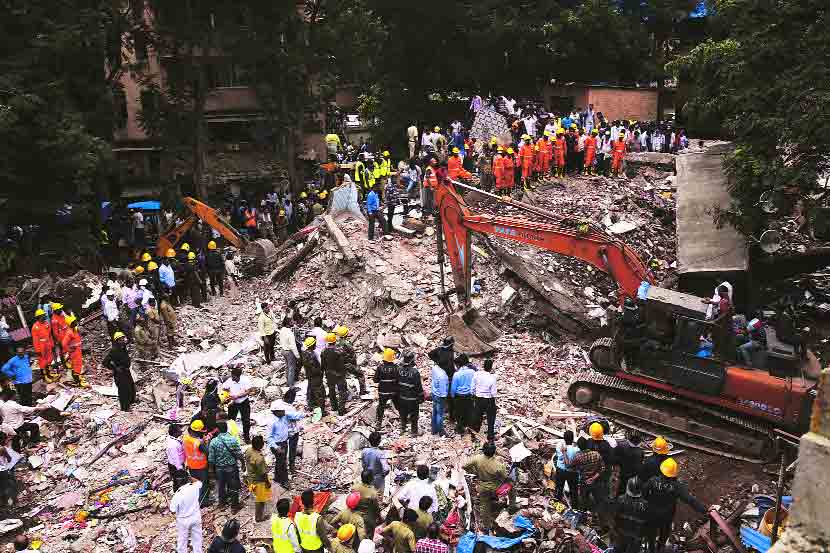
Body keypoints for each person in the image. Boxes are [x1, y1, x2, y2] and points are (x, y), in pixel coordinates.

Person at [644, 458, 707, 553]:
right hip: (666, 515)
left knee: (651, 532)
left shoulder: (653, 481)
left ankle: (651, 548)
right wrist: (704, 510)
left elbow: (643, 494)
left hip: (652, 513)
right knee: (664, 533)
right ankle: (660, 548)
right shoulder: (677, 486)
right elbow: (690, 500)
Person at [463, 442, 514, 534]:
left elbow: (465, 466)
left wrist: (475, 472)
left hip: (483, 487)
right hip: (496, 488)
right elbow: (505, 478)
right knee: (512, 488)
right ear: (494, 452)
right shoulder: (498, 465)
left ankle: (486, 526)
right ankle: (512, 507)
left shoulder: (477, 458)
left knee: (484, 505)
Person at [268, 399, 305, 486]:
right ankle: (284, 481)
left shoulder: (284, 415)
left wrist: (304, 414)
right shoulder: (272, 422)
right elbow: (269, 437)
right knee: (282, 462)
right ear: (275, 412)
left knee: (280, 461)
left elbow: (294, 415)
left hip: (284, 442)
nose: (284, 412)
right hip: (277, 444)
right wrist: (276, 448)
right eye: (282, 411)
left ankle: (277, 478)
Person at [208, 420, 242, 509]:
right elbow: (239, 453)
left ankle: (222, 504)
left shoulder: (214, 442)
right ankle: (234, 506)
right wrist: (243, 463)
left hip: (219, 468)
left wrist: (211, 470)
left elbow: (211, 458)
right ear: (227, 429)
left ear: (218, 430)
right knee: (233, 486)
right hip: (231, 467)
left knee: (221, 487)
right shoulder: (233, 439)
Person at [610, 477, 649, 553]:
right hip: (636, 536)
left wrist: (613, 530)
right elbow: (646, 523)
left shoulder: (621, 499)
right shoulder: (645, 504)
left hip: (621, 534)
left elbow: (615, 517)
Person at [570, 437, 607, 515]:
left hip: (584, 481)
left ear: (579, 447)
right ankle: (597, 515)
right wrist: (593, 478)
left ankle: (584, 515)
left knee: (584, 500)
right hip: (596, 481)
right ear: (587, 445)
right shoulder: (596, 454)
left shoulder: (577, 456)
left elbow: (571, 467)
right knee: (598, 499)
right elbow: (603, 468)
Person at [170, 475, 203, 553]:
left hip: (183, 520)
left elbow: (173, 510)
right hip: (195, 516)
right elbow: (199, 482)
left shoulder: (177, 494)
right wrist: (189, 476)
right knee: (197, 539)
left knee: (182, 541)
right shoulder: (194, 487)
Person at [103, 332, 135, 411]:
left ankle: (131, 401)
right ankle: (125, 407)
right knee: (123, 390)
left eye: (123, 338)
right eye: (121, 339)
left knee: (131, 386)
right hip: (120, 373)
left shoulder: (123, 347)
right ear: (117, 341)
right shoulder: (114, 350)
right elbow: (105, 362)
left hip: (126, 371)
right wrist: (115, 368)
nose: (123, 340)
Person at [222, 367, 254, 443]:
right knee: (231, 420)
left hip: (244, 402)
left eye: (233, 376)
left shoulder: (245, 380)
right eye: (231, 376)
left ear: (238, 376)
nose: (232, 377)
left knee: (246, 420)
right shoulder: (230, 381)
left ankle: (246, 437)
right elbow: (224, 388)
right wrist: (229, 395)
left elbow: (248, 391)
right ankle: (230, 436)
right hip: (233, 403)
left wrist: (237, 396)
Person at [184, 419, 212, 506]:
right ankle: (203, 502)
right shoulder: (198, 443)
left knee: (196, 485)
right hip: (201, 467)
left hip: (191, 466)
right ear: (198, 431)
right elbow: (208, 451)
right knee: (203, 485)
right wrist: (207, 442)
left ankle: (195, 500)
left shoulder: (186, 438)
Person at [245, 435, 272, 521]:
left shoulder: (248, 450)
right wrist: (267, 483)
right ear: (259, 445)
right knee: (260, 499)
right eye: (262, 443)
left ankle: (259, 514)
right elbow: (263, 473)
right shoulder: (259, 459)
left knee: (256, 495)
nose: (263, 444)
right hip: (258, 481)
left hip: (250, 479)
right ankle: (259, 517)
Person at [296, 489, 333, 553]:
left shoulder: (297, 516)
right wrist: (329, 547)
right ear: (313, 501)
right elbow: (323, 537)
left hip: (304, 546)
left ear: (302, 502)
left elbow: (297, 533)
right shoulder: (317, 518)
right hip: (316, 549)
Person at [335, 326, 368, 396]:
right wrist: (355, 366)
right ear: (346, 334)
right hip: (348, 364)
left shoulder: (337, 344)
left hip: (340, 365)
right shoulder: (347, 344)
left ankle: (343, 393)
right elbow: (353, 356)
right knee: (360, 374)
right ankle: (363, 392)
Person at [397, 351, 424, 436]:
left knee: (403, 414)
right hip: (412, 399)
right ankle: (414, 431)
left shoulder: (399, 369)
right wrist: (421, 397)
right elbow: (418, 387)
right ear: (412, 360)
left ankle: (403, 428)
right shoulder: (415, 372)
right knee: (414, 416)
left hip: (402, 397)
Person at [471, 358, 497, 441]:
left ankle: (474, 434)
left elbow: (472, 387)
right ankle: (490, 436)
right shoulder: (492, 378)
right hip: (488, 400)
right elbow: (493, 393)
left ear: (483, 366)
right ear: (491, 368)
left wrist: (474, 394)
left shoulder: (477, 374)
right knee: (491, 418)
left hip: (478, 398)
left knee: (477, 416)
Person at [321, 332, 347, 415]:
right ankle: (341, 410)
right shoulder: (339, 351)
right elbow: (343, 363)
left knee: (331, 390)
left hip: (329, 374)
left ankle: (334, 407)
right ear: (335, 341)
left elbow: (323, 365)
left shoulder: (323, 351)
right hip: (339, 374)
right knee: (342, 391)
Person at [553, 430, 580, 507]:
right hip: (572, 472)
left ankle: (557, 505)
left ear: (564, 439)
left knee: (559, 488)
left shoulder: (559, 446)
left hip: (560, 470)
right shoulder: (576, 449)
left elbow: (560, 455)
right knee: (573, 490)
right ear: (572, 438)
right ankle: (575, 507)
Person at [449, 355, 475, 435]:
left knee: (459, 413)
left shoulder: (457, 374)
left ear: (458, 365)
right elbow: (474, 384)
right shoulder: (472, 372)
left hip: (459, 396)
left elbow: (453, 388)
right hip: (469, 395)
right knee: (469, 412)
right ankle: (470, 428)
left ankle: (460, 429)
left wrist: (452, 396)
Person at [375, 348, 400, 429]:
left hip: (383, 392)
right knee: (398, 405)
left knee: (381, 406)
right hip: (394, 392)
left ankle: (378, 423)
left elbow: (375, 380)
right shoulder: (396, 367)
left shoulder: (380, 368)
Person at [614, 430, 644, 496]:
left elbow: (616, 459)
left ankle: (619, 497)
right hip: (632, 474)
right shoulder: (640, 452)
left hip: (623, 472)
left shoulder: (621, 446)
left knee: (621, 487)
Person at [302, 336, 327, 415]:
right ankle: (322, 411)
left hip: (309, 375)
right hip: (315, 376)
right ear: (312, 345)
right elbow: (314, 368)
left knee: (310, 390)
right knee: (320, 392)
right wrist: (320, 372)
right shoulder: (312, 355)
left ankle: (311, 405)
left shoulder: (304, 352)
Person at [353, 469, 381, 537]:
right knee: (368, 535)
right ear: (371, 479)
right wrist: (379, 516)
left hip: (354, 514)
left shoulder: (355, 487)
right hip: (367, 518)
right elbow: (376, 507)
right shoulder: (373, 493)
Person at [428, 349, 448, 436]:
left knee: (435, 412)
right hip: (440, 395)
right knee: (440, 414)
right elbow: (443, 390)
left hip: (434, 393)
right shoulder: (443, 375)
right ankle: (441, 431)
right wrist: (445, 397)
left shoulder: (435, 368)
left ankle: (434, 429)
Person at [31, 309, 54, 382]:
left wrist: (52, 344)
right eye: (43, 315)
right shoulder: (35, 327)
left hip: (48, 344)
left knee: (49, 360)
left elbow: (50, 335)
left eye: (44, 315)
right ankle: (45, 377)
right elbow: (35, 340)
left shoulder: (46, 324)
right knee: (42, 362)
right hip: (41, 346)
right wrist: (38, 350)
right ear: (39, 317)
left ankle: (49, 374)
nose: (44, 316)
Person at [281, 317, 301, 388]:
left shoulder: (282, 329)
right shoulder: (290, 334)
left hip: (283, 350)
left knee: (287, 367)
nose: (294, 323)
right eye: (292, 322)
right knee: (291, 368)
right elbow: (293, 346)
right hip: (289, 352)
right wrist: (298, 356)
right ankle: (291, 385)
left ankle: (288, 381)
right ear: (289, 323)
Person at [167, 424, 188, 492]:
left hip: (178, 464)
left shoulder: (175, 440)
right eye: (179, 431)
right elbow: (175, 457)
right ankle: (179, 494)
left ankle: (176, 492)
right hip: (176, 466)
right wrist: (180, 468)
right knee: (180, 482)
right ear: (175, 433)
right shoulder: (172, 444)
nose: (181, 432)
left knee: (177, 481)